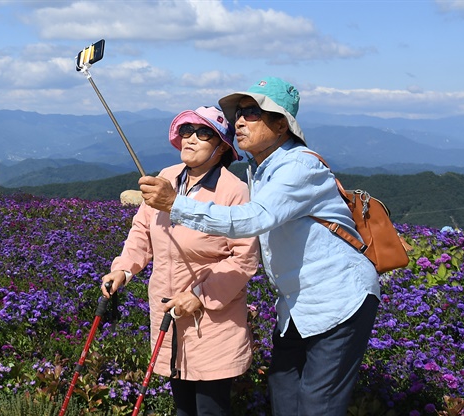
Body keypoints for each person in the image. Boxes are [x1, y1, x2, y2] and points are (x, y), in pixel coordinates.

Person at [138, 77, 381, 416]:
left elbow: (253, 219)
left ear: (281, 124)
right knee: (283, 394)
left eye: (252, 112)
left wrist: (175, 204)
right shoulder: (262, 169)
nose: (239, 120)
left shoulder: (299, 166)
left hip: (339, 299)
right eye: (238, 112)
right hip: (297, 306)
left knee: (317, 404)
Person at [100, 106, 260, 416]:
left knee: (210, 409)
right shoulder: (166, 178)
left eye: (203, 133)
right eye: (186, 131)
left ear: (221, 147)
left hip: (214, 321)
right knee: (182, 407)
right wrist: (123, 268)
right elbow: (143, 229)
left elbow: (244, 260)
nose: (191, 138)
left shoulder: (234, 192)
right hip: (168, 313)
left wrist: (199, 296)